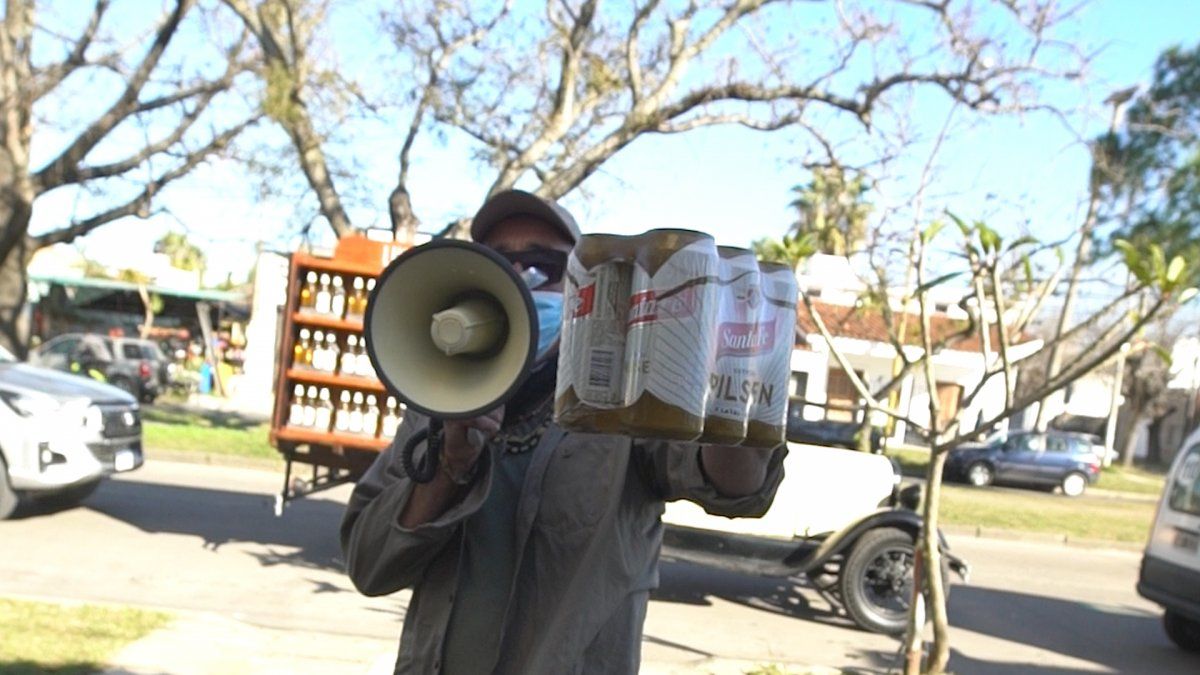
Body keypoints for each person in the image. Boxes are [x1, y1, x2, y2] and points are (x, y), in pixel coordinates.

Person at [340, 189, 786, 674]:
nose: (518, 280)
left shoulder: (626, 404)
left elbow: (737, 488)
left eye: (541, 266)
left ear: (585, 289)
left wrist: (728, 376)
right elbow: (369, 566)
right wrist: (449, 468)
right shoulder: (437, 410)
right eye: (496, 263)